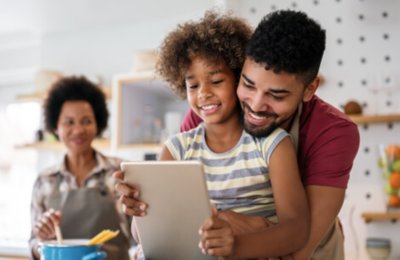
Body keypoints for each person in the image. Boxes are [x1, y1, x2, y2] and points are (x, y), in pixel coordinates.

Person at [116, 10, 310, 259]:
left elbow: (297, 230)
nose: (203, 93)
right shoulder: (177, 149)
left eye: (216, 81)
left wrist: (236, 246)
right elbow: (145, 235)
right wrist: (139, 210)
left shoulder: (272, 145)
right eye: (193, 85)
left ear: (240, 79)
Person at [182, 10, 360, 259]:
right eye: (248, 84)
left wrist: (253, 228)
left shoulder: (334, 133)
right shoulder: (211, 115)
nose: (255, 105)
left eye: (276, 96)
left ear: (309, 89)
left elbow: (298, 249)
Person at [29, 76, 132, 260]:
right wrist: (42, 239)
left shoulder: (120, 172)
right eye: (69, 122)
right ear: (55, 127)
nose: (78, 130)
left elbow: (140, 238)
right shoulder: (45, 180)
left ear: (98, 124)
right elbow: (34, 246)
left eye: (86, 121)